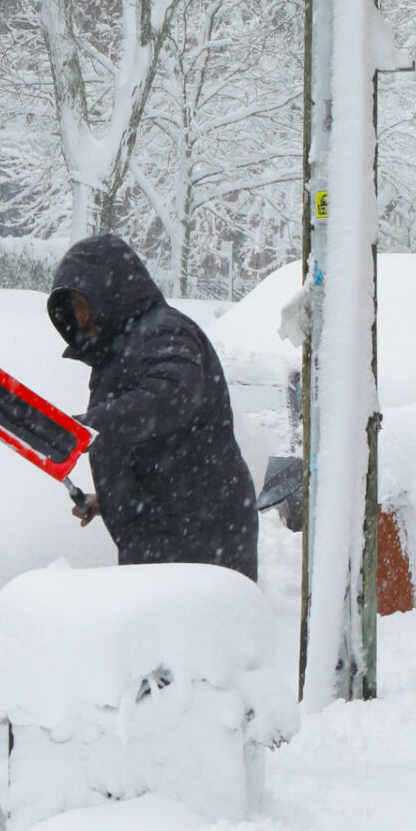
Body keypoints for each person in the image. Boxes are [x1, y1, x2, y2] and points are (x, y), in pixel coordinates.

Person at [46, 234, 261, 581]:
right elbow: (149, 445)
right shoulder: (126, 343)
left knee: (195, 618)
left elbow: (172, 396)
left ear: (111, 292)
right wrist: (111, 498)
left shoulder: (165, 331)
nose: (79, 315)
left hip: (199, 533)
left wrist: (89, 426)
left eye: (83, 301)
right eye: (73, 305)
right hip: (171, 528)